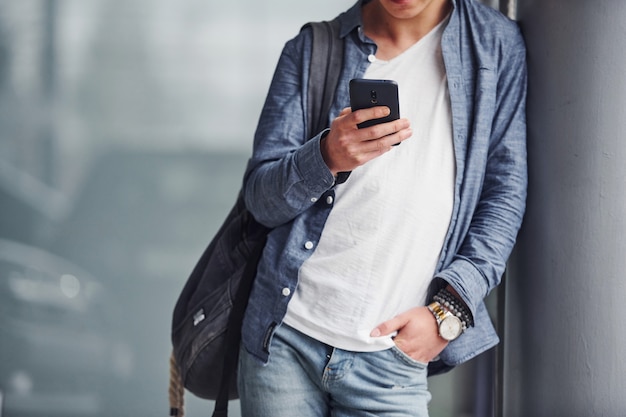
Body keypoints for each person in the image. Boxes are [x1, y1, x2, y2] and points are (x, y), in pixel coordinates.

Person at [238, 0, 527, 415]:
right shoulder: (313, 48)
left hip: (392, 362)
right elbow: (260, 201)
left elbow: (504, 196)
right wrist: (325, 156)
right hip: (284, 338)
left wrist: (449, 312)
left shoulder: (496, 47)